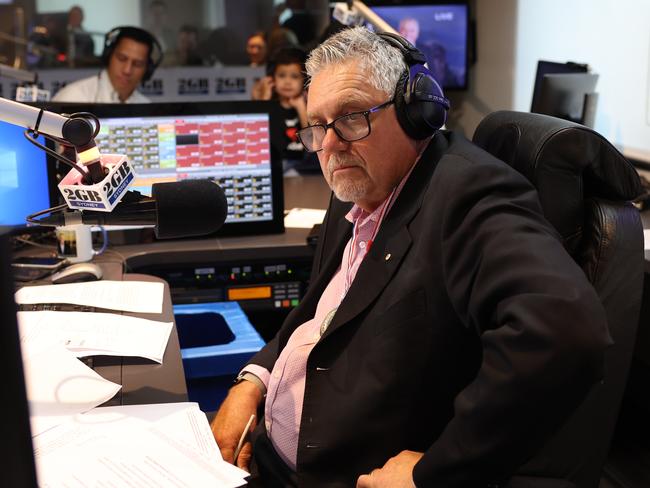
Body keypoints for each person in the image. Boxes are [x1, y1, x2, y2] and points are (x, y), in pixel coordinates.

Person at [210, 26, 609, 487]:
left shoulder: (469, 194)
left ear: (415, 111)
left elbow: (567, 331)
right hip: (260, 452)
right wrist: (253, 381)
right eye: (317, 126)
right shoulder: (356, 184)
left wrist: (433, 473)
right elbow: (318, 311)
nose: (331, 145)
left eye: (353, 117)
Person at [53, 26, 159, 103]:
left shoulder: (146, 105)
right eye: (122, 59)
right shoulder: (73, 97)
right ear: (109, 56)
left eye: (137, 64)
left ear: (147, 69)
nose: (127, 70)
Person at [251, 47, 310, 170]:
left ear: (304, 80)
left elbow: (312, 140)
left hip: (302, 167)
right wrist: (264, 100)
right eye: (282, 75)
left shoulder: (308, 107)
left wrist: (301, 109)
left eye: (294, 76)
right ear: (272, 79)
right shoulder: (269, 105)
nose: (287, 82)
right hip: (274, 166)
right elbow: (255, 136)